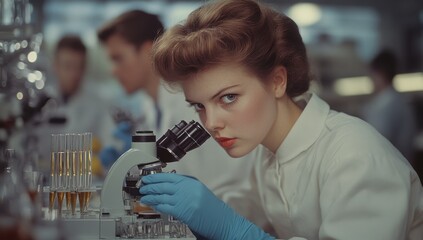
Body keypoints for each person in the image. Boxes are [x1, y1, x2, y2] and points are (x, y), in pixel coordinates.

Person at [139, 0, 423, 239]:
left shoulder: (355, 155)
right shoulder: (270, 153)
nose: (211, 123)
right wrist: (185, 207)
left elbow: (236, 224)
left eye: (228, 98)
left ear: (277, 81)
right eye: (199, 106)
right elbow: (243, 207)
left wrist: (236, 232)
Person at [96, 10, 256, 199]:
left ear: (148, 51)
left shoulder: (192, 103)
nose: (113, 71)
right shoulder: (150, 105)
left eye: (118, 59)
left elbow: (229, 179)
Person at [29, 36, 115, 176]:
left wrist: (103, 160)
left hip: (85, 185)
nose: (74, 74)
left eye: (79, 67)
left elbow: (110, 144)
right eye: (68, 66)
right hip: (44, 181)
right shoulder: (37, 102)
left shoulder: (99, 103)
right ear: (55, 65)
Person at [361, 49, 417, 163]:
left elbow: (375, 143)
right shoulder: (398, 101)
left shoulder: (386, 106)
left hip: (390, 167)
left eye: (371, 74)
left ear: (379, 74)